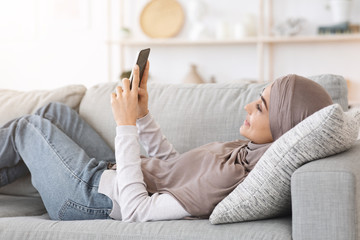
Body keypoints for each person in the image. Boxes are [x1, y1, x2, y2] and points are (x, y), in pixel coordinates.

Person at [0, 62, 333, 222]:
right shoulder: (247, 152)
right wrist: (143, 115)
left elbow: (136, 210)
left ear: (283, 124)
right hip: (112, 177)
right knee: (54, 112)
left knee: (28, 127)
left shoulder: (231, 177)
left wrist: (126, 125)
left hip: (88, 199)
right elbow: (175, 169)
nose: (248, 107)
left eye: (260, 107)